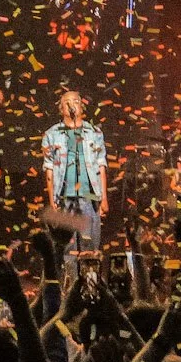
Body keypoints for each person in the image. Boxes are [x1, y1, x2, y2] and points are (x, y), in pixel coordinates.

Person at [42, 89, 108, 253]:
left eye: (76, 101)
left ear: (82, 107)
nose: (72, 105)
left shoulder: (94, 133)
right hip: (65, 198)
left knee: (90, 247)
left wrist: (104, 198)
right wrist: (52, 201)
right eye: (67, 102)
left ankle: (91, 278)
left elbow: (101, 165)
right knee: (69, 249)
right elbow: (49, 169)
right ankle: (71, 278)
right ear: (61, 109)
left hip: (89, 197)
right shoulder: (52, 134)